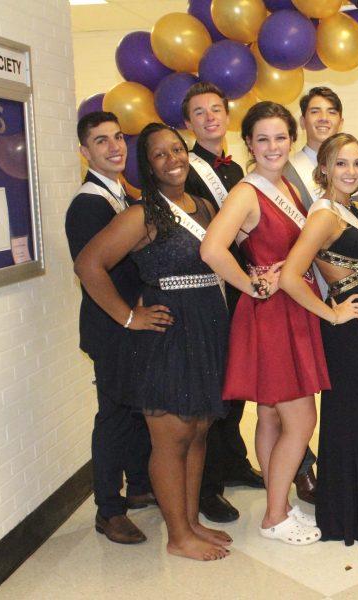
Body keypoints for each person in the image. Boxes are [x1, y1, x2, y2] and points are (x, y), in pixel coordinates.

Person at [75, 122, 232, 561]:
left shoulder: (202, 206)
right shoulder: (142, 214)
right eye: (160, 154)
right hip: (168, 333)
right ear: (148, 164)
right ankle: (178, 536)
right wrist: (128, 317)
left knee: (199, 431)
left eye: (177, 150)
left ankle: (191, 521)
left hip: (207, 329)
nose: (173, 159)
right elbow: (89, 265)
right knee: (172, 437)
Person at [201, 101, 328, 545]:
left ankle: (280, 505)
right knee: (301, 420)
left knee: (273, 417)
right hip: (273, 314)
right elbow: (213, 249)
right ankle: (274, 516)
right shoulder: (247, 191)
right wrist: (252, 284)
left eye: (280, 137)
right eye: (263, 139)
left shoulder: (285, 187)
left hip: (287, 307)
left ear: (291, 140)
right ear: (250, 144)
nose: (273, 146)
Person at [279, 133, 358, 545]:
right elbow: (289, 276)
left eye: (356, 164)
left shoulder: (357, 206)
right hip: (349, 331)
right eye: (340, 164)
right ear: (324, 169)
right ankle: (357, 514)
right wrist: (331, 313)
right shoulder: (324, 216)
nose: (350, 172)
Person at [65, 111, 153, 546]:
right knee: (114, 418)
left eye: (118, 138)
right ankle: (108, 509)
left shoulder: (122, 193)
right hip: (112, 328)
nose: (115, 146)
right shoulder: (88, 203)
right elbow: (92, 271)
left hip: (130, 328)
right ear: (85, 152)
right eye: (101, 141)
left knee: (136, 410)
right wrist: (129, 317)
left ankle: (138, 487)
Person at [181, 82, 265, 524]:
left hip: (239, 287)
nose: (211, 118)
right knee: (215, 388)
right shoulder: (186, 171)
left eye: (217, 109)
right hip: (207, 290)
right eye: (200, 112)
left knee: (238, 383)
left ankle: (233, 462)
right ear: (188, 123)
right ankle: (207, 486)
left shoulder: (239, 172)